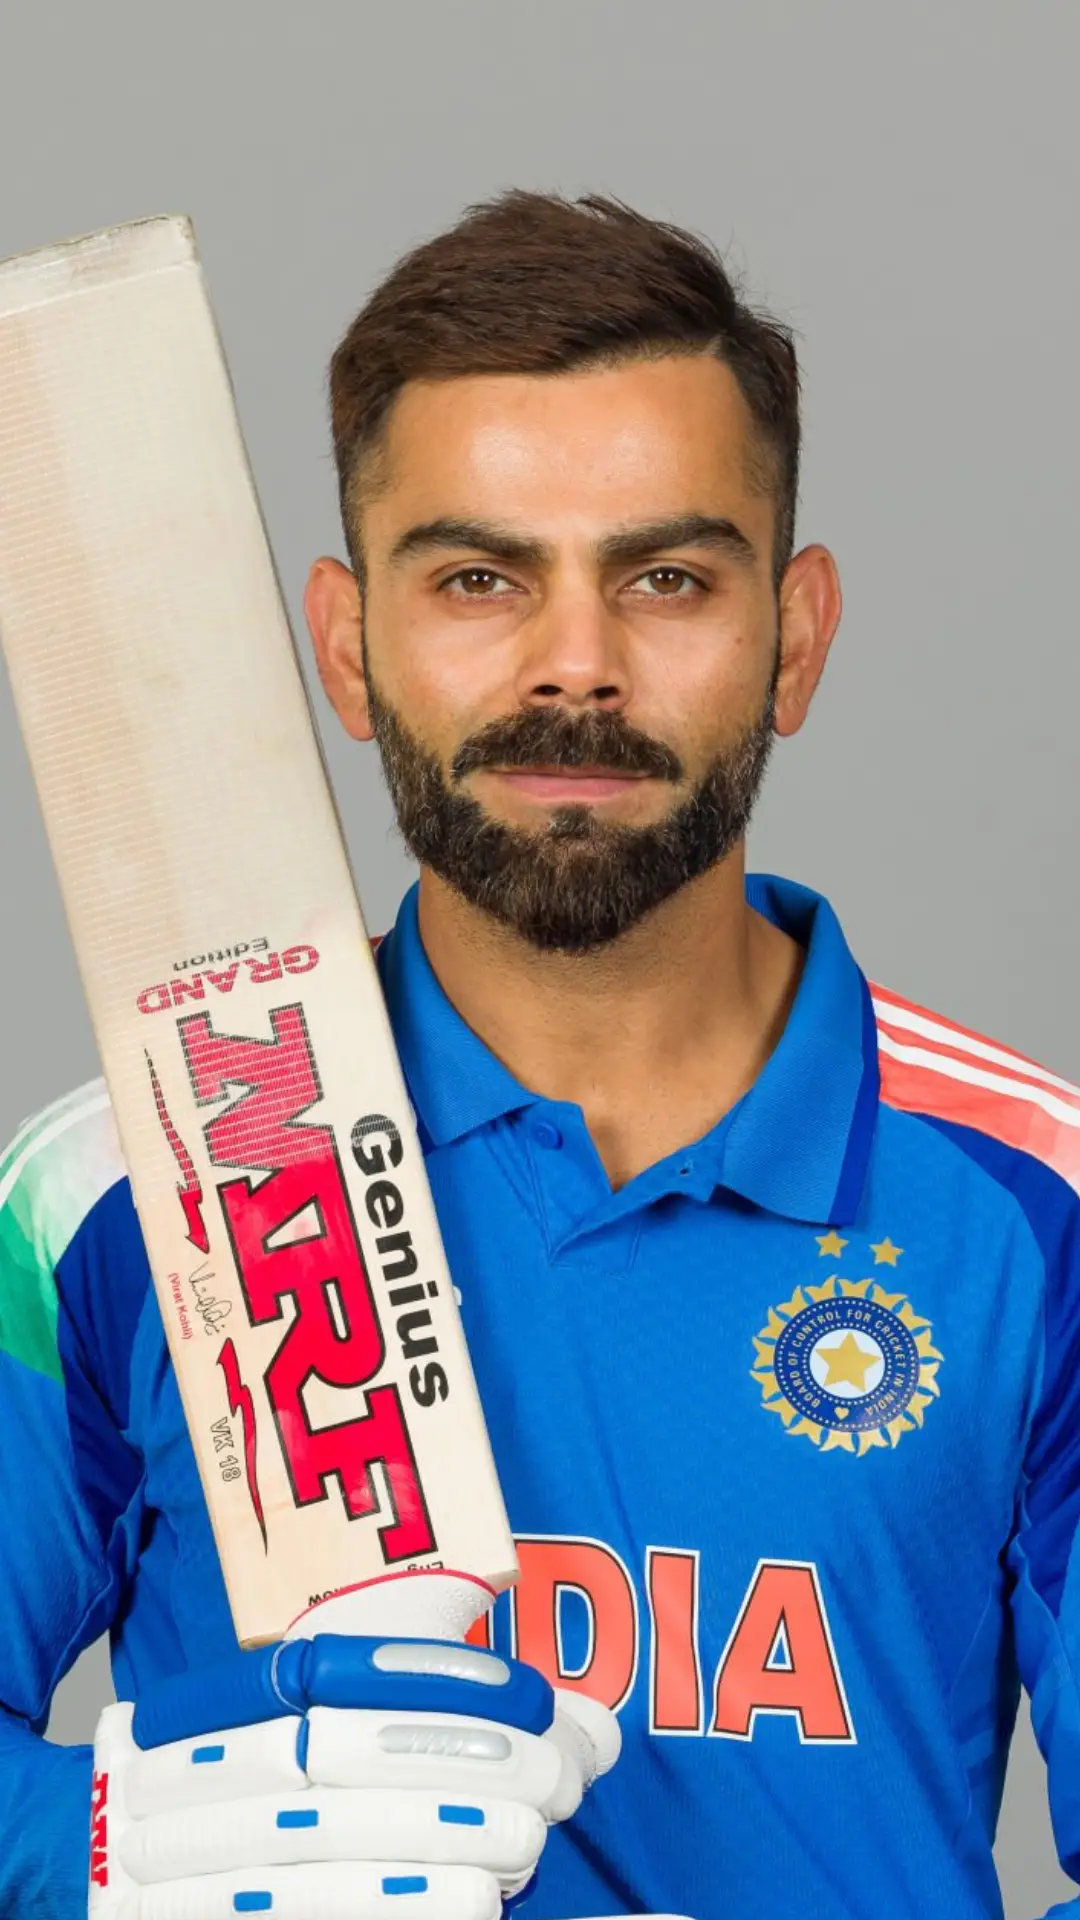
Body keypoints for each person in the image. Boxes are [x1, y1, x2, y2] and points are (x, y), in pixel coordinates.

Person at [1, 189, 1078, 1920]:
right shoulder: (120, 1191)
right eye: (479, 579)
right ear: (347, 648)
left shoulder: (1039, 1209)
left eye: (667, 579)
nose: (576, 666)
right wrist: (102, 1847)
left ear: (796, 636)